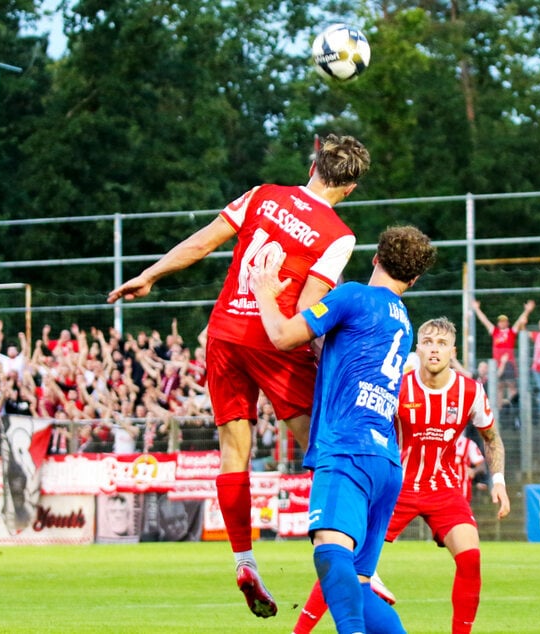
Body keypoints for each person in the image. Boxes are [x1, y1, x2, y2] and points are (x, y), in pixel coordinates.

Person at [107, 133, 371, 618]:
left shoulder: (263, 194)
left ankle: (244, 560)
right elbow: (310, 309)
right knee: (329, 449)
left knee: (234, 451)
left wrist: (151, 274)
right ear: (350, 187)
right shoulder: (339, 235)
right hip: (274, 340)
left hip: (224, 332)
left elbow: (204, 241)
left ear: (312, 164)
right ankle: (356, 559)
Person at [251, 225, 437, 634]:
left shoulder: (353, 295)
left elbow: (283, 336)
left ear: (375, 257)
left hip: (347, 449)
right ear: (415, 278)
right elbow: (341, 350)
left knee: (330, 555)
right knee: (359, 584)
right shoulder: (402, 320)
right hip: (385, 463)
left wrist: (264, 292)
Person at [293, 317, 510, 634]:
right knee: (344, 560)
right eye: (428, 343)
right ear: (417, 348)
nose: (434, 350)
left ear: (453, 350)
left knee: (471, 558)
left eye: (441, 344)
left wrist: (499, 482)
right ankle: (300, 630)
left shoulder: (470, 392)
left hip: (444, 489)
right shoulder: (397, 386)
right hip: (397, 487)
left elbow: (491, 438)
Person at [471, 298, 534, 406]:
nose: (502, 323)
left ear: (507, 323)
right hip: (498, 364)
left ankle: (512, 408)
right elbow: (484, 320)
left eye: (504, 321)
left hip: (509, 363)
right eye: (500, 321)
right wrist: (477, 309)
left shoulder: (511, 332)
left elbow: (519, 321)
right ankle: (499, 412)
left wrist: (527, 311)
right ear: (498, 323)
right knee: (498, 387)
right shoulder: (495, 331)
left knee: (511, 386)